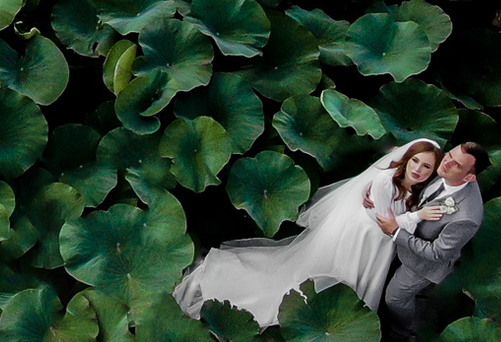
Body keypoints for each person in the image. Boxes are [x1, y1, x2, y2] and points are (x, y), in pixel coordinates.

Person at [172, 139, 443, 327]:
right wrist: (419, 216)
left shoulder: (413, 187)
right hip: (361, 237)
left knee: (349, 285)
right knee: (324, 281)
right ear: (406, 159)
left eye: (426, 167)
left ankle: (345, 317)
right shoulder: (385, 180)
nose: (418, 169)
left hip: (374, 241)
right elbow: (387, 222)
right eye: (415, 161)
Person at [373, 142, 487, 342]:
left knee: (395, 298)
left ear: (469, 178)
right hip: (408, 233)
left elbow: (437, 253)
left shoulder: (467, 216)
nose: (447, 163)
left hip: (422, 264)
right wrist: (378, 192)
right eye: (450, 154)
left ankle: (399, 334)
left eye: (457, 165)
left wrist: (396, 231)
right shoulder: (441, 166)